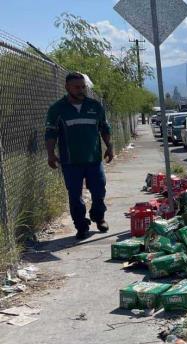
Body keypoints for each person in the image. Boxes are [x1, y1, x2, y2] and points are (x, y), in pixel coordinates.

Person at [45, 72, 113, 240]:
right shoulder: (57, 109)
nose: (81, 90)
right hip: (71, 161)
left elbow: (104, 128)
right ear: (67, 87)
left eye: (83, 87)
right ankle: (81, 226)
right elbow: (51, 133)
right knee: (75, 196)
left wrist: (109, 147)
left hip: (94, 160)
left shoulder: (95, 106)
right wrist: (50, 154)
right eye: (77, 87)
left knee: (99, 191)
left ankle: (99, 217)